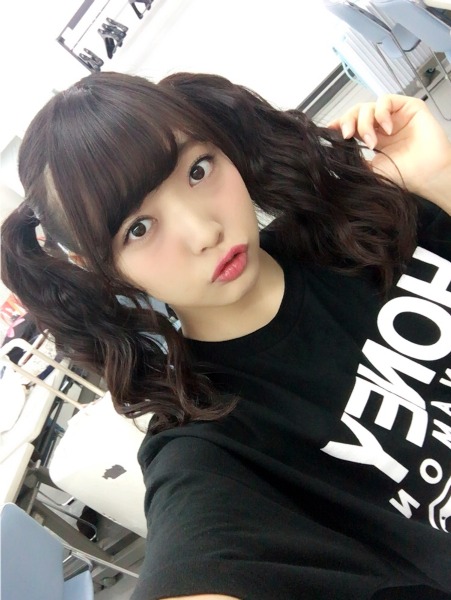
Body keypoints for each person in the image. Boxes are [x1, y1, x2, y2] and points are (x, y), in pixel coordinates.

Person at [1, 71, 451, 600]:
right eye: (138, 229)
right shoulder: (210, 445)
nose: (204, 232)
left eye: (198, 169)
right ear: (98, 267)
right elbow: (198, 556)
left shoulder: (357, 221)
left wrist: (441, 182)